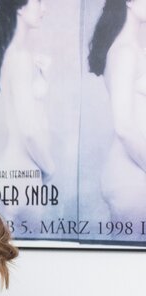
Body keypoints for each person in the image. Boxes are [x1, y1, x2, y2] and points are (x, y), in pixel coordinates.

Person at [0, 0, 55, 216]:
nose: (45, 9)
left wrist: (43, 79)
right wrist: (49, 168)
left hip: (16, 167)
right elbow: (29, 130)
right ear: (20, 7)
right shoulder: (20, 57)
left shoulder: (14, 54)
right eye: (39, 2)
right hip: (25, 170)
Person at [88, 0, 146, 221]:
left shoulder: (132, 50)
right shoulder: (125, 51)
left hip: (134, 175)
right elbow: (123, 127)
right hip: (132, 178)